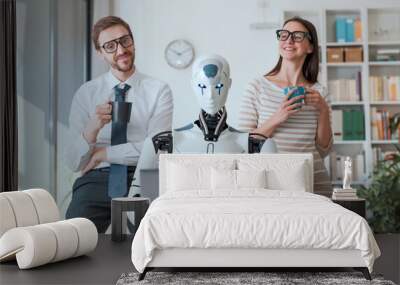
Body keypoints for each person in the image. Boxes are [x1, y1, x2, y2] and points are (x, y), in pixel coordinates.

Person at [64, 16, 173, 232]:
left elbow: (156, 149)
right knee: (73, 234)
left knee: (151, 234)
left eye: (125, 41)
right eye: (110, 46)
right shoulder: (86, 93)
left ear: (133, 41)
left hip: (146, 173)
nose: (121, 50)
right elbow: (73, 162)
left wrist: (102, 153)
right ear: (100, 52)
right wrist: (92, 129)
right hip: (98, 178)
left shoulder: (159, 90)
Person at [132, 54, 277, 194]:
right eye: (203, 86)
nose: (210, 96)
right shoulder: (161, 142)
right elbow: (135, 200)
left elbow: (275, 201)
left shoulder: (257, 145)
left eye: (218, 86)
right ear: (193, 85)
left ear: (229, 84)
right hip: (181, 215)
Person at [238, 17, 333, 196]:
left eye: (297, 36)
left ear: (310, 47)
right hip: (270, 183)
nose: (289, 40)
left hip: (313, 181)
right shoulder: (257, 87)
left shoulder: (320, 93)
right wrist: (278, 117)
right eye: (284, 35)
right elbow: (244, 144)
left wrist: (322, 110)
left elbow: (324, 150)